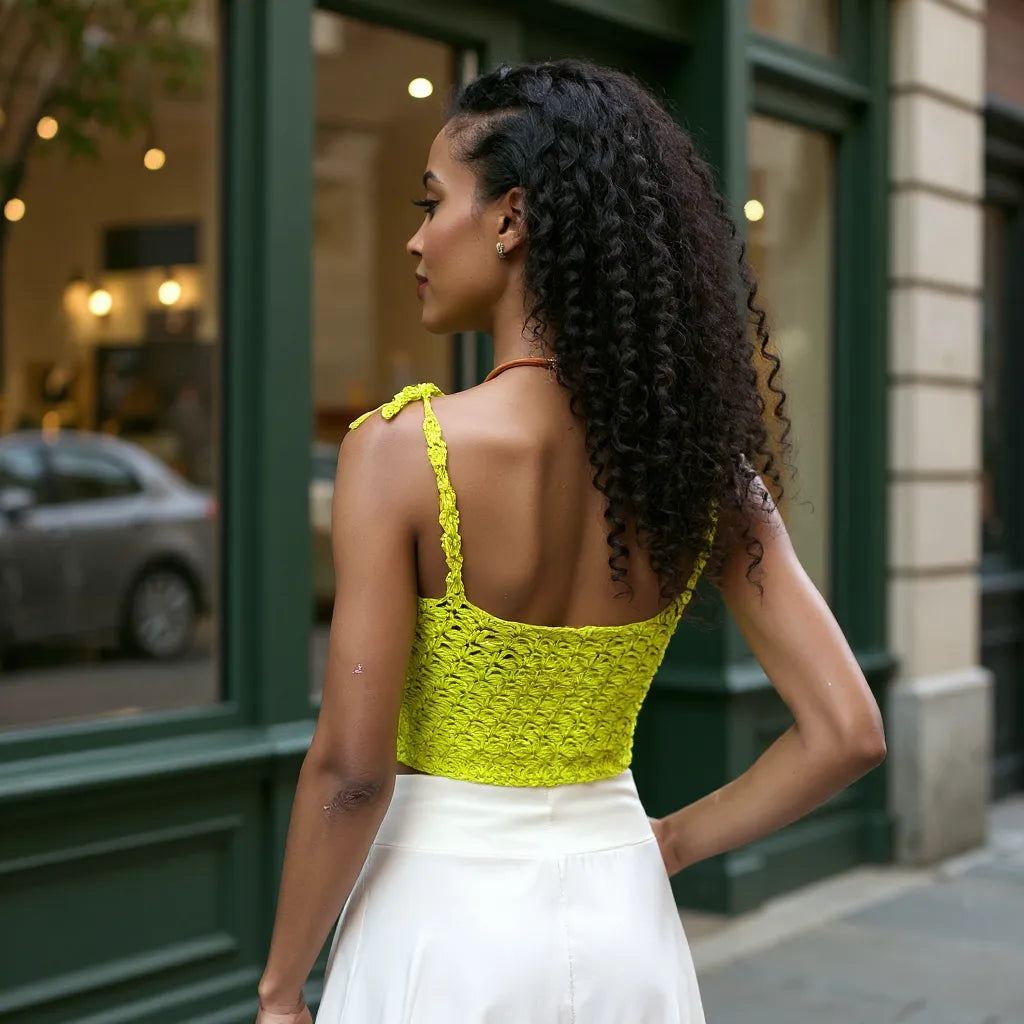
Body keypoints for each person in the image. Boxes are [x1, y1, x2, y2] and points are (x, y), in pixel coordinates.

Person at [256, 59, 886, 1024]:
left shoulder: (399, 455)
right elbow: (848, 733)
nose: (416, 239)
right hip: (622, 921)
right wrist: (661, 846)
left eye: (434, 204)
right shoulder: (698, 468)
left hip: (441, 928)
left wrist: (280, 989)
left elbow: (351, 770)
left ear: (511, 219)